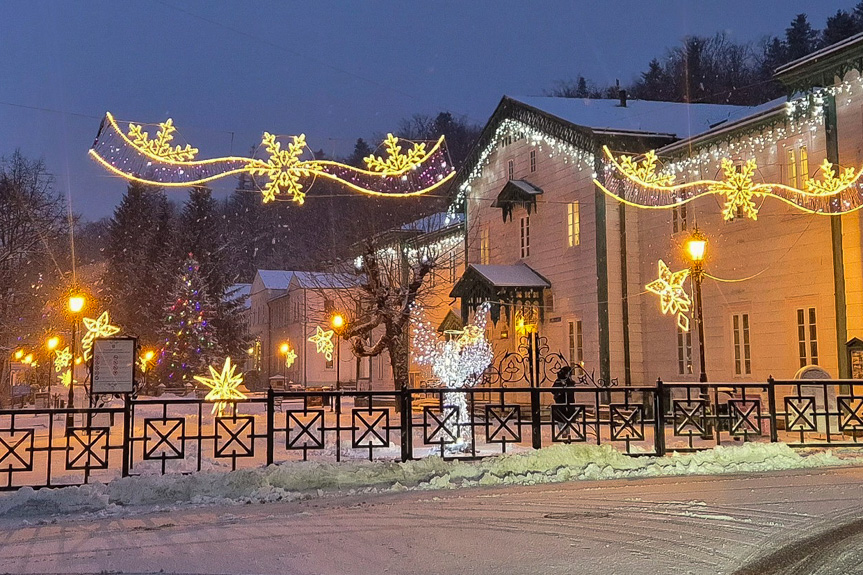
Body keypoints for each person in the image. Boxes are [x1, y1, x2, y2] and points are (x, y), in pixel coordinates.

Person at [552, 366, 576, 441]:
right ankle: (563, 432)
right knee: (560, 418)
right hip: (560, 403)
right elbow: (553, 390)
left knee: (567, 418)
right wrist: (560, 390)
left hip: (569, 404)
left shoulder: (570, 381)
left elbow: (571, 391)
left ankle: (567, 433)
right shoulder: (558, 381)